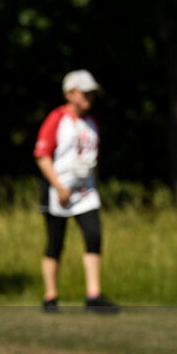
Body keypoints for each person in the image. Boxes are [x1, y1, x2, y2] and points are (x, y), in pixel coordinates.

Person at [33, 69, 119, 313]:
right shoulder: (57, 119)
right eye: (84, 93)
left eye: (92, 94)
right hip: (58, 190)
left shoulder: (91, 123)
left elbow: (94, 160)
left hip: (86, 193)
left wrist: (96, 188)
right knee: (55, 242)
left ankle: (93, 295)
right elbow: (42, 155)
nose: (89, 98)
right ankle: (50, 296)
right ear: (69, 93)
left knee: (94, 237)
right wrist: (58, 186)